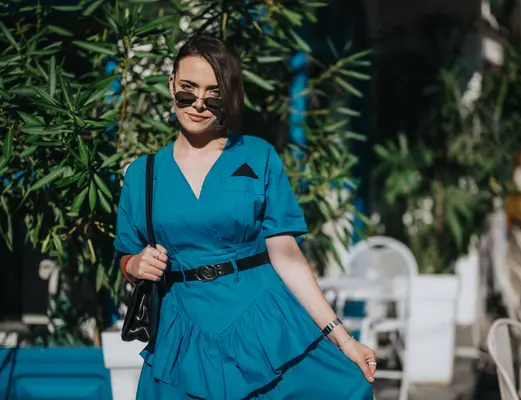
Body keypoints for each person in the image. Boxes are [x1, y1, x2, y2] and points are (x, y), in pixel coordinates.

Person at [114, 32, 376, 400]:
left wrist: (344, 340)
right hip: (182, 332)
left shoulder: (258, 156)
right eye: (187, 89)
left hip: (262, 324)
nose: (198, 104)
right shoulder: (142, 175)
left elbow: (286, 255)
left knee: (347, 390)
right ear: (170, 84)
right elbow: (126, 256)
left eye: (213, 93)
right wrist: (136, 265)